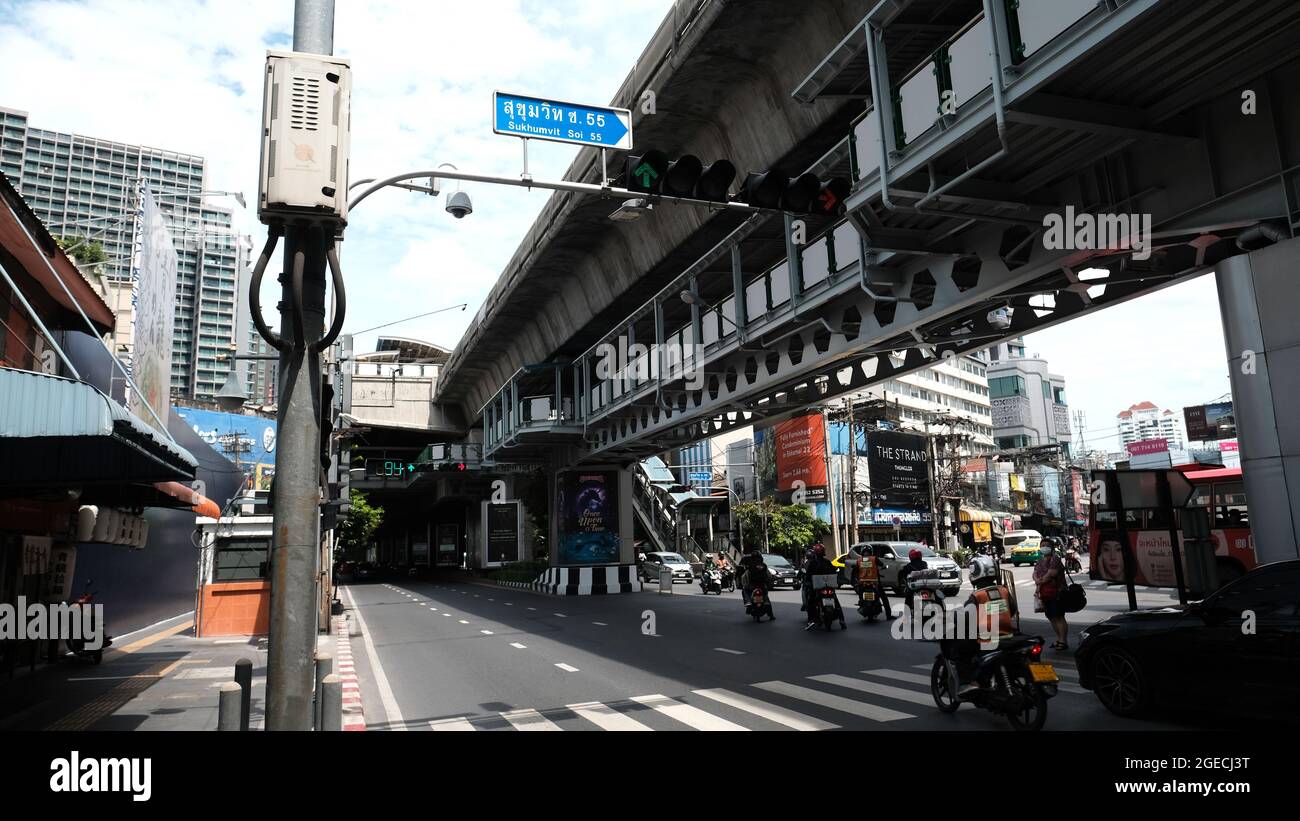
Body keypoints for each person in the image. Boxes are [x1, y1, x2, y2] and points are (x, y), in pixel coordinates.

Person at [949, 555, 1018, 694]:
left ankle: (967, 683)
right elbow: (1013, 609)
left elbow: (967, 617)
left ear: (975, 572)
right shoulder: (1003, 590)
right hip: (1007, 635)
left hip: (986, 639)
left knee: (958, 649)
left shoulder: (977, 595)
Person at [1034, 540, 1070, 650]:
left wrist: (1040, 581)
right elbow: (1034, 573)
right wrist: (1037, 580)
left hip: (1056, 593)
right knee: (1051, 617)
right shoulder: (1040, 560)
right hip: (1044, 593)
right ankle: (1059, 639)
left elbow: (1051, 574)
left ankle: (1063, 641)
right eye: (1042, 546)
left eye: (1047, 546)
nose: (1044, 547)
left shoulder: (1055, 559)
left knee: (1059, 616)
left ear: (1052, 548)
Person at [801, 543, 836, 629]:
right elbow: (833, 571)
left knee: (810, 601)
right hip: (826, 586)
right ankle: (841, 620)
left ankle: (810, 620)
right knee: (836, 601)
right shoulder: (827, 562)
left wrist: (807, 581)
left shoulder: (813, 563)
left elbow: (808, 575)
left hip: (819, 587)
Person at [852, 549, 894, 619]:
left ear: (862, 553)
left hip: (863, 583)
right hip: (874, 583)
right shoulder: (874, 558)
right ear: (870, 552)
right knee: (884, 598)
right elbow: (882, 565)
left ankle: (862, 604)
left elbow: (856, 570)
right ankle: (888, 615)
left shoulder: (859, 560)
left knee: (860, 596)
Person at [901, 547, 928, 614]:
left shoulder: (908, 566)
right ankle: (943, 613)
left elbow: (903, 575)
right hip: (926, 585)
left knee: (908, 598)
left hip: (915, 587)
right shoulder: (924, 563)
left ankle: (906, 615)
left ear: (911, 557)